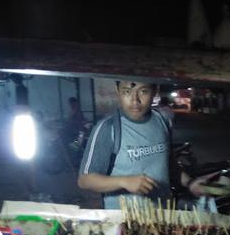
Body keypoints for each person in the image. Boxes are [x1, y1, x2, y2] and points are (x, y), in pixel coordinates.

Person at [78, 80, 213, 209]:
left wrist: (190, 183)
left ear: (155, 91)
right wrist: (123, 181)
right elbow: (85, 180)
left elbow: (169, 165)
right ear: (118, 92)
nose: (135, 100)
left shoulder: (162, 121)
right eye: (127, 92)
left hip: (163, 215)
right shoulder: (108, 128)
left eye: (143, 91)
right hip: (127, 221)